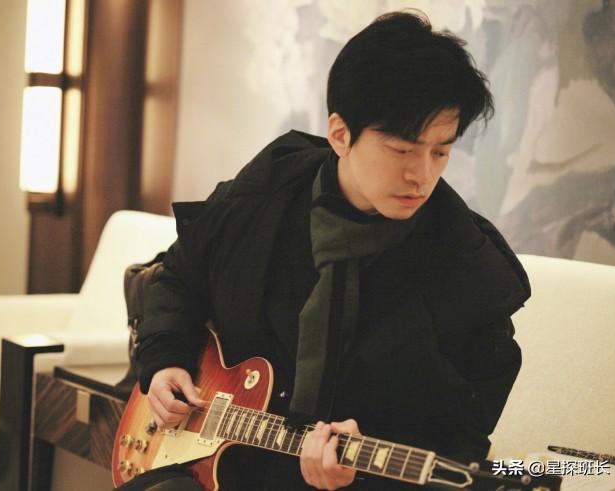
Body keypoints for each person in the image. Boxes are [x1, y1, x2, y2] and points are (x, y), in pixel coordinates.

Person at [125, 10, 530, 491]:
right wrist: (165, 361)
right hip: (205, 461)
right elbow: (178, 277)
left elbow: (459, 444)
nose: (422, 175)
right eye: (403, 150)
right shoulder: (266, 192)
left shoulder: (469, 271)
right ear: (340, 134)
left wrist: (360, 474)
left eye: (440, 151)